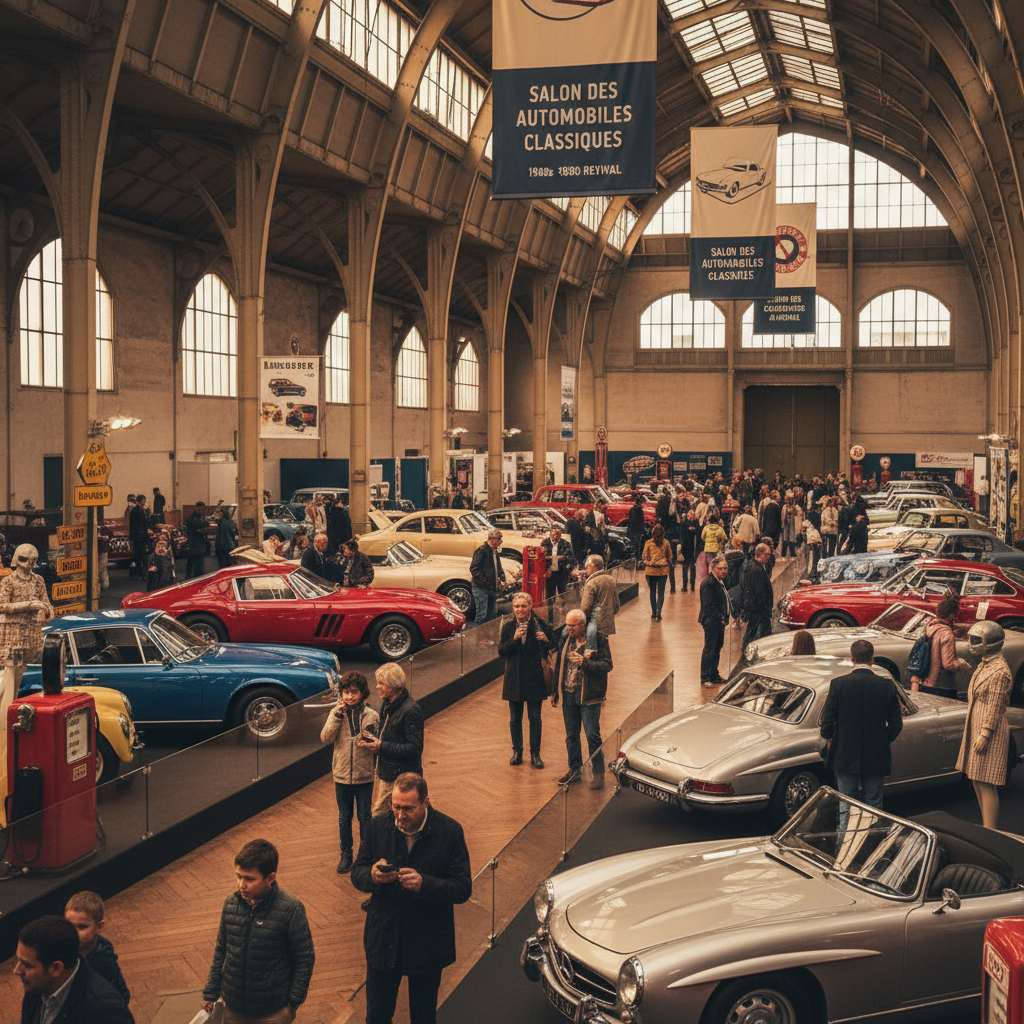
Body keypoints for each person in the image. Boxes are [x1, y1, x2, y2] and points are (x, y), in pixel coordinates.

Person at [351, 773, 471, 1024]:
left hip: (426, 942)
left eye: (407, 808)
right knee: (377, 1016)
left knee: (423, 1016)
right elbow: (357, 872)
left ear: (425, 802)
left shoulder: (450, 832)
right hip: (384, 940)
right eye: (395, 806)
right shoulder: (377, 826)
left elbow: (462, 888)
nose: (400, 815)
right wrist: (371, 875)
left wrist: (424, 884)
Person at [201, 838, 315, 1023]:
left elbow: (304, 958)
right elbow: (221, 950)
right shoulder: (231, 903)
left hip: (272, 1012)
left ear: (270, 878)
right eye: (239, 876)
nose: (241, 885)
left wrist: (292, 1003)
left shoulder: (291, 908)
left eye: (249, 879)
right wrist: (211, 991)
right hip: (234, 1009)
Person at [819, 640, 903, 814]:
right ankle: (871, 839)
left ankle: (846, 840)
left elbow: (827, 721)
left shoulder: (838, 684)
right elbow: (896, 724)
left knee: (846, 805)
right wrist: (883, 738)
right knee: (874, 805)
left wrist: (831, 737)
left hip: (845, 752)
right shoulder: (886, 686)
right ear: (872, 659)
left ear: (852, 658)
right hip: (875, 753)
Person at [15, 915, 135, 1024]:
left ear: (56, 968)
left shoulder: (104, 1010)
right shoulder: (37, 984)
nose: (16, 970)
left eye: (26, 965)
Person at [957, 620, 1013, 828]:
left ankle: (990, 829)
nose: (972, 643)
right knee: (977, 778)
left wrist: (985, 734)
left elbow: (996, 707)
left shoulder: (1000, 671)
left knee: (986, 781)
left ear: (990, 643)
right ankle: (985, 825)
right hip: (977, 726)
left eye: (977, 639)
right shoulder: (985, 664)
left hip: (989, 731)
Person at [321, 671, 379, 873]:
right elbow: (325, 738)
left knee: (365, 817)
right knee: (344, 817)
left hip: (365, 776)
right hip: (342, 775)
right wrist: (336, 716)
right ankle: (346, 853)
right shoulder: (336, 713)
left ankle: (365, 854)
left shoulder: (372, 715)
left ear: (363, 693)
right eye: (346, 692)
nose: (349, 696)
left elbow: (377, 742)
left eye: (354, 692)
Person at [552, 608, 613, 789]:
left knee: (592, 735)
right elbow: (559, 665)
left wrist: (583, 662)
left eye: (572, 625)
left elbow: (607, 665)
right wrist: (556, 691)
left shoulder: (599, 640)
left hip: (589, 697)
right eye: (567, 625)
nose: (569, 628)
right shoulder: (565, 639)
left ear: (582, 625)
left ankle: (598, 773)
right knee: (571, 735)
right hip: (569, 694)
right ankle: (575, 769)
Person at [498, 592, 554, 768]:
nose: (519, 610)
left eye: (523, 606)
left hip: (534, 678)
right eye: (516, 606)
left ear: (530, 606)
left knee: (535, 718)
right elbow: (502, 651)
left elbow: (554, 645)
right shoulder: (508, 627)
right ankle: (517, 752)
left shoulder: (542, 625)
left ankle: (535, 754)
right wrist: (514, 640)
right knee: (515, 719)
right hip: (514, 679)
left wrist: (546, 641)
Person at [359, 664, 424, 815]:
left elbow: (414, 749)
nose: (377, 687)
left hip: (400, 778)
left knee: (379, 817)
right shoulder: (388, 703)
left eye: (381, 683)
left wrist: (381, 747)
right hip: (389, 773)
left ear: (393, 685)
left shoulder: (411, 710)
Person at [64, 891, 130, 1007]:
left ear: (99, 926)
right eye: (69, 926)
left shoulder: (104, 960)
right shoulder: (58, 949)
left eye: (82, 927)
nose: (73, 933)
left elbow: (121, 996)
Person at [910, 594, 970, 697]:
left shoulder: (930, 627)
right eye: (955, 616)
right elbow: (948, 664)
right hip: (940, 686)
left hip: (924, 681)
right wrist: (961, 663)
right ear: (951, 616)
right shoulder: (946, 633)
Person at [698, 555, 731, 687]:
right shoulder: (709, 583)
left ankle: (714, 674)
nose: (724, 571)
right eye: (720, 568)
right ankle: (705, 677)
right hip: (712, 621)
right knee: (710, 648)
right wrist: (721, 617)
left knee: (717, 647)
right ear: (712, 568)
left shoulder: (720, 581)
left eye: (725, 568)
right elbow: (708, 605)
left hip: (718, 621)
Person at [579, 553, 619, 650]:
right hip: (607, 623)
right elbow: (616, 605)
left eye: (587, 566)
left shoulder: (591, 583)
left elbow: (585, 608)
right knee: (604, 650)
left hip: (594, 625)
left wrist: (579, 620)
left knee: (591, 650)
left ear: (593, 566)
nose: (586, 568)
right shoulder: (610, 579)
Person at [741, 542, 774, 648]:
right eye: (767, 554)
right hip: (758, 608)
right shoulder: (757, 570)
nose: (768, 557)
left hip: (756, 607)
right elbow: (759, 591)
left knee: (754, 630)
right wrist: (764, 605)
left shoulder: (754, 565)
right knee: (754, 631)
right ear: (761, 554)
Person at [469, 528, 505, 626]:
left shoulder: (494, 551)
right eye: (499, 539)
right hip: (481, 588)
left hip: (492, 587)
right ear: (491, 539)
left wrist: (502, 578)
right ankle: (477, 637)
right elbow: (474, 568)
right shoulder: (482, 551)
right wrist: (485, 582)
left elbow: (498, 566)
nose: (501, 541)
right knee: (482, 615)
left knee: (492, 614)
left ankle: (488, 636)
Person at [642, 524, 672, 621]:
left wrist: (650, 563)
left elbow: (644, 557)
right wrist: (666, 562)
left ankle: (654, 612)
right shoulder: (666, 543)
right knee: (661, 592)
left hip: (651, 571)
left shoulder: (648, 543)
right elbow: (670, 556)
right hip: (663, 570)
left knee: (652, 591)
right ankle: (659, 610)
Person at [540, 525, 575, 600]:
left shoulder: (565, 544)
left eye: (558, 535)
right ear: (550, 534)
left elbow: (571, 558)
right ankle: (550, 610)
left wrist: (567, 568)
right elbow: (541, 558)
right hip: (549, 573)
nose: (556, 537)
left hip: (561, 573)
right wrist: (554, 558)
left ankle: (562, 608)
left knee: (563, 594)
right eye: (554, 534)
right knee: (550, 595)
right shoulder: (545, 543)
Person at [127, 493, 149, 579]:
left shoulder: (133, 511)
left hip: (135, 537)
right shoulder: (141, 511)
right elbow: (143, 525)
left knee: (137, 555)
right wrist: (145, 537)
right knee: (143, 556)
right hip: (141, 537)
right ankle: (144, 573)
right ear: (142, 501)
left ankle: (135, 572)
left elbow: (132, 525)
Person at [185, 502, 208, 579]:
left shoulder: (198, 516)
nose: (202, 510)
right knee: (196, 562)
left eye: (203, 509)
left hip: (196, 542)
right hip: (196, 542)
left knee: (194, 562)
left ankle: (192, 577)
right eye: (201, 509)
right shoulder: (194, 517)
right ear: (197, 508)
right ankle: (196, 578)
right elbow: (202, 524)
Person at [678, 508, 699, 593]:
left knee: (692, 567)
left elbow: (698, 532)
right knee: (685, 568)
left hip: (693, 549)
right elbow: (682, 534)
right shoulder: (684, 524)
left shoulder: (696, 524)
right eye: (689, 514)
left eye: (692, 514)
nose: (691, 515)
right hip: (686, 549)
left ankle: (692, 586)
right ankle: (685, 586)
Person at [626, 494, 646, 562]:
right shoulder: (638, 509)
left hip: (632, 530)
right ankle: (636, 560)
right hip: (637, 531)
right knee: (637, 546)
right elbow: (640, 521)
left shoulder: (632, 509)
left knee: (634, 546)